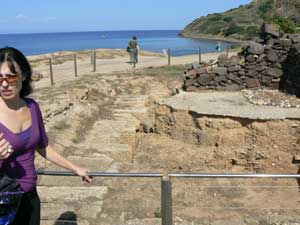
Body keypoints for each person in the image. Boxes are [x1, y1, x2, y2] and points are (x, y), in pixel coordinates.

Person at [0, 47, 92, 225]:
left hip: (30, 197)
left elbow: (42, 146)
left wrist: (75, 168)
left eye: (11, 77)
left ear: (24, 76)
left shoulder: (32, 107)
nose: (5, 84)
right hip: (3, 201)